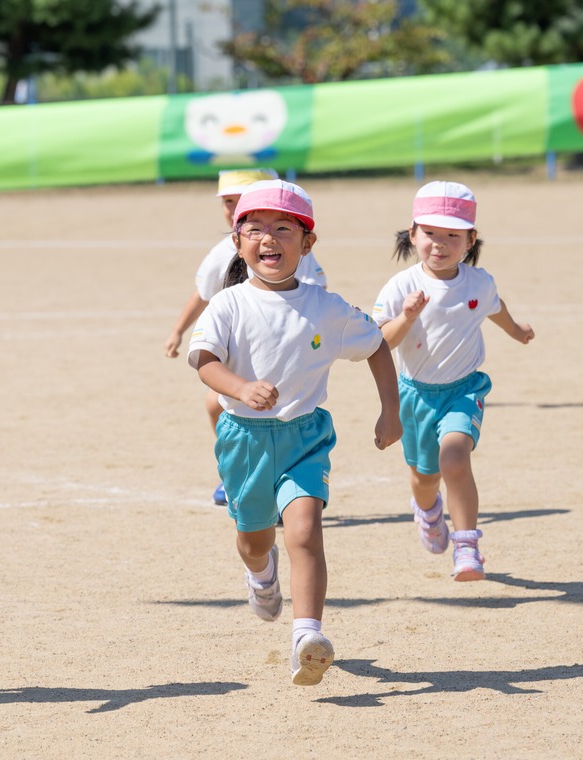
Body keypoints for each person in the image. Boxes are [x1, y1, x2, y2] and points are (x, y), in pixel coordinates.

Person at [187, 180, 402, 686]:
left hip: (305, 437)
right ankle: (261, 574)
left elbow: (375, 345)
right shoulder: (228, 304)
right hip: (244, 439)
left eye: (284, 229)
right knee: (253, 539)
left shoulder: (328, 307)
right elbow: (203, 361)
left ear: (307, 243)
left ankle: (307, 637)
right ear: (237, 241)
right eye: (255, 229)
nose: (269, 239)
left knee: (305, 531)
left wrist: (390, 411)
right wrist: (240, 387)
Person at [372, 181, 534, 582]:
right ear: (413, 234)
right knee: (424, 478)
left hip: (464, 389)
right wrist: (406, 317)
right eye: (430, 232)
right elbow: (381, 343)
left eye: (452, 235)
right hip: (416, 396)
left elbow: (495, 308)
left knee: (455, 459)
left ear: (470, 240)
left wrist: (516, 330)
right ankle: (428, 512)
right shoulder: (401, 287)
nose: (440, 244)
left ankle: (466, 547)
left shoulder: (479, 282)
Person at [165, 168, 327, 506]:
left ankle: (286, 483)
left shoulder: (291, 248)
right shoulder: (224, 252)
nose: (233, 208)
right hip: (238, 348)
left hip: (284, 348)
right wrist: (178, 330)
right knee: (216, 404)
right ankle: (235, 468)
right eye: (228, 201)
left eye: (240, 199)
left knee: (286, 415)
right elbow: (203, 293)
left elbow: (314, 294)